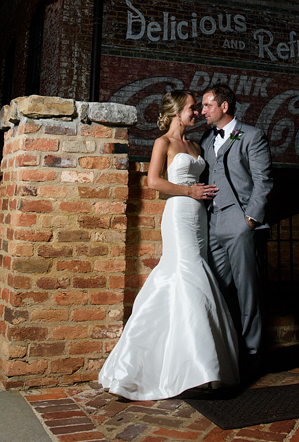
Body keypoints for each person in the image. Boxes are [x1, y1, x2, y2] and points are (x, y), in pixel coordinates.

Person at [98, 90, 240, 400]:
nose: (197, 113)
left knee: (184, 279)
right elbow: (153, 182)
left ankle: (192, 366)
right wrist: (188, 192)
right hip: (178, 215)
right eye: (192, 108)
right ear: (177, 112)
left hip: (200, 218)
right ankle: (199, 370)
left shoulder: (195, 144)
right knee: (190, 277)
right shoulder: (163, 143)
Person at [201, 83, 273, 379]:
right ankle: (229, 349)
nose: (202, 111)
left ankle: (253, 353)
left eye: (207, 105)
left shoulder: (252, 136)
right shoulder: (206, 139)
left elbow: (263, 182)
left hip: (239, 221)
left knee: (248, 290)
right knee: (217, 288)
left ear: (224, 107)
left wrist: (250, 221)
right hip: (213, 221)